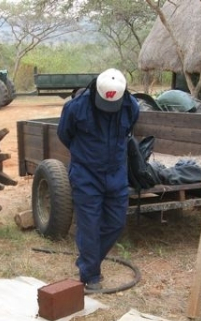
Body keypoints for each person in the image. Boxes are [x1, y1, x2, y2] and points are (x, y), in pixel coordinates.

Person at [57, 68, 140, 292]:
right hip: (86, 174)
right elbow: (64, 134)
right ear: (97, 91)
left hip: (116, 173)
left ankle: (89, 259)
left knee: (116, 222)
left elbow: (129, 130)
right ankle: (90, 273)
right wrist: (86, 156)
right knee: (89, 225)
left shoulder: (130, 106)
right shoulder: (76, 108)